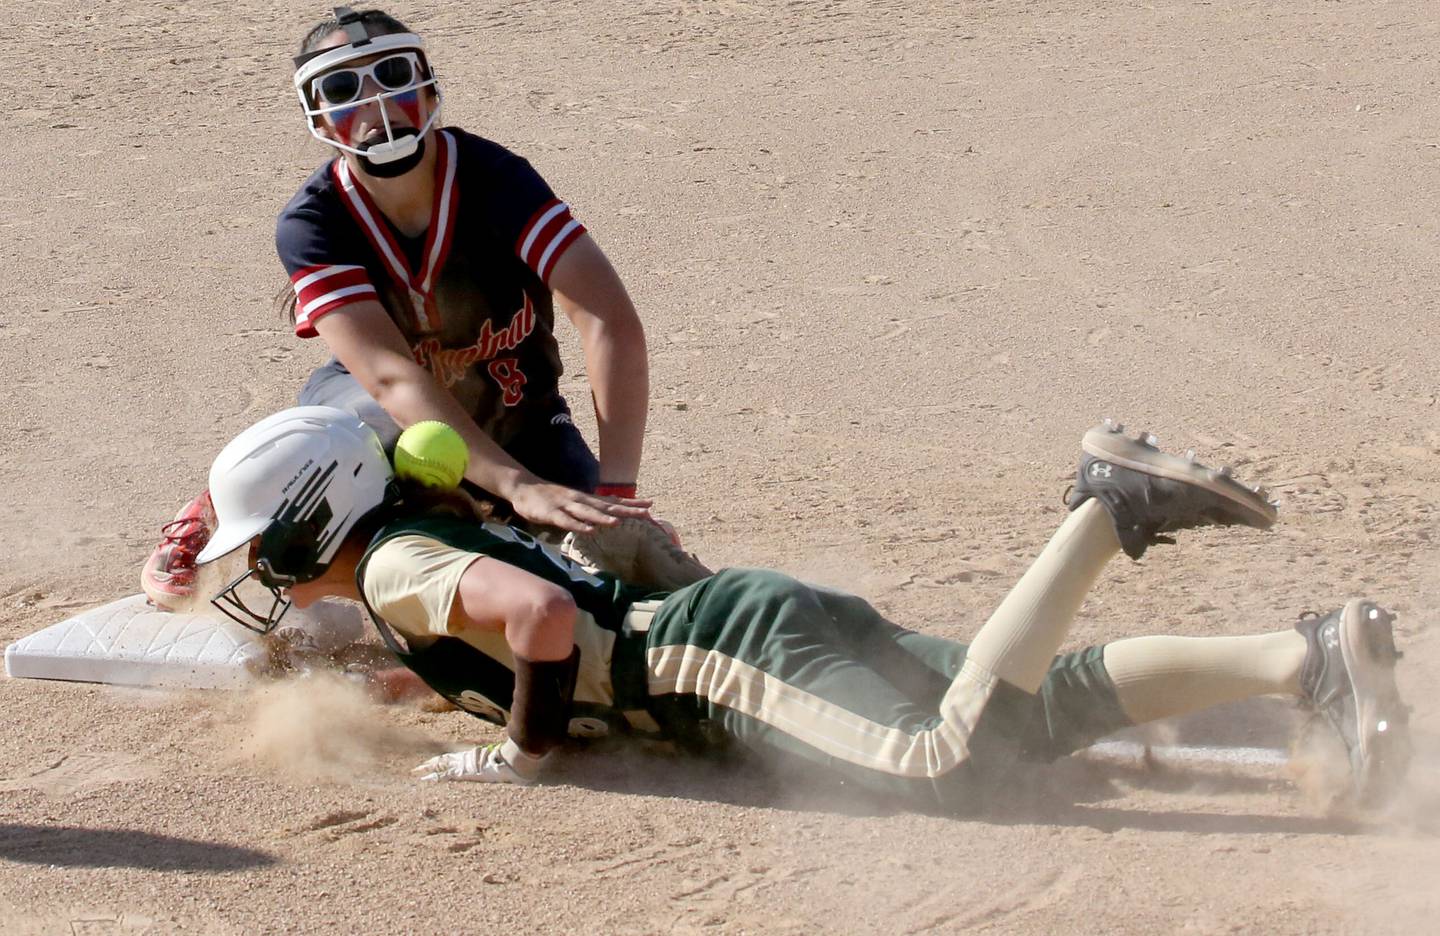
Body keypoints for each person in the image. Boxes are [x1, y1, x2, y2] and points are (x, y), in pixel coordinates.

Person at [193, 407, 1411, 810]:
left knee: (952, 765)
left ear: (313, 518)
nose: (266, 568)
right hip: (745, 618)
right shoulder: (419, 544)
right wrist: (410, 681)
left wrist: (526, 749)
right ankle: (1305, 661)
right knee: (1026, 719)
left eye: (267, 544)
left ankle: (1105, 508)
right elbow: (515, 621)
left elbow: (545, 629)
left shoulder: (399, 563)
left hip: (720, 660)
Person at [140, 6, 705, 610]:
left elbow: (606, 318)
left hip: (516, 414)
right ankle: (218, 502)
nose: (376, 103)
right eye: (342, 88)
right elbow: (389, 377)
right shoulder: (314, 222)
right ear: (317, 114)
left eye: (393, 74)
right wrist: (517, 486)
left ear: (430, 83)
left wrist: (615, 494)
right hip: (381, 416)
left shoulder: (495, 178)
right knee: (346, 463)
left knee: (604, 563)